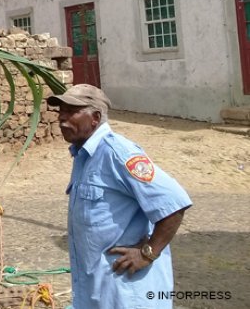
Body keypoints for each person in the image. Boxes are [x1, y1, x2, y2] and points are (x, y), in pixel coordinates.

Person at [47, 84, 192, 308]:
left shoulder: (118, 153)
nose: (61, 119)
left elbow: (173, 203)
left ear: (95, 118)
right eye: (60, 112)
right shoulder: (83, 154)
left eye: (71, 112)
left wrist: (148, 253)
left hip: (128, 294)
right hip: (100, 290)